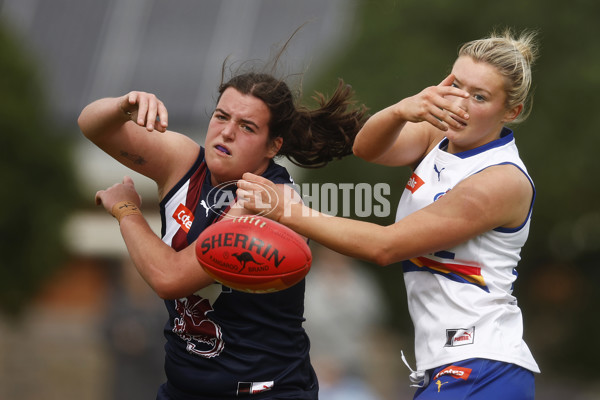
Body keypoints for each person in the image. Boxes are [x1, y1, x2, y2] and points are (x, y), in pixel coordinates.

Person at [237, 29, 540, 399]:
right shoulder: (437, 134)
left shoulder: (500, 180)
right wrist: (400, 110)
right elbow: (368, 148)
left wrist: (285, 209)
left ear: (512, 111)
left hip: (483, 366)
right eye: (457, 85)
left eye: (479, 97)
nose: (460, 104)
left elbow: (385, 246)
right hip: (452, 365)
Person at [78, 58, 368, 398]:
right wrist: (123, 105)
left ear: (274, 146)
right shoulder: (184, 161)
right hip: (183, 388)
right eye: (221, 116)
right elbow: (92, 125)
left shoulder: (268, 201)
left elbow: (169, 278)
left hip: (265, 392)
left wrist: (126, 210)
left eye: (247, 127)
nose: (227, 132)